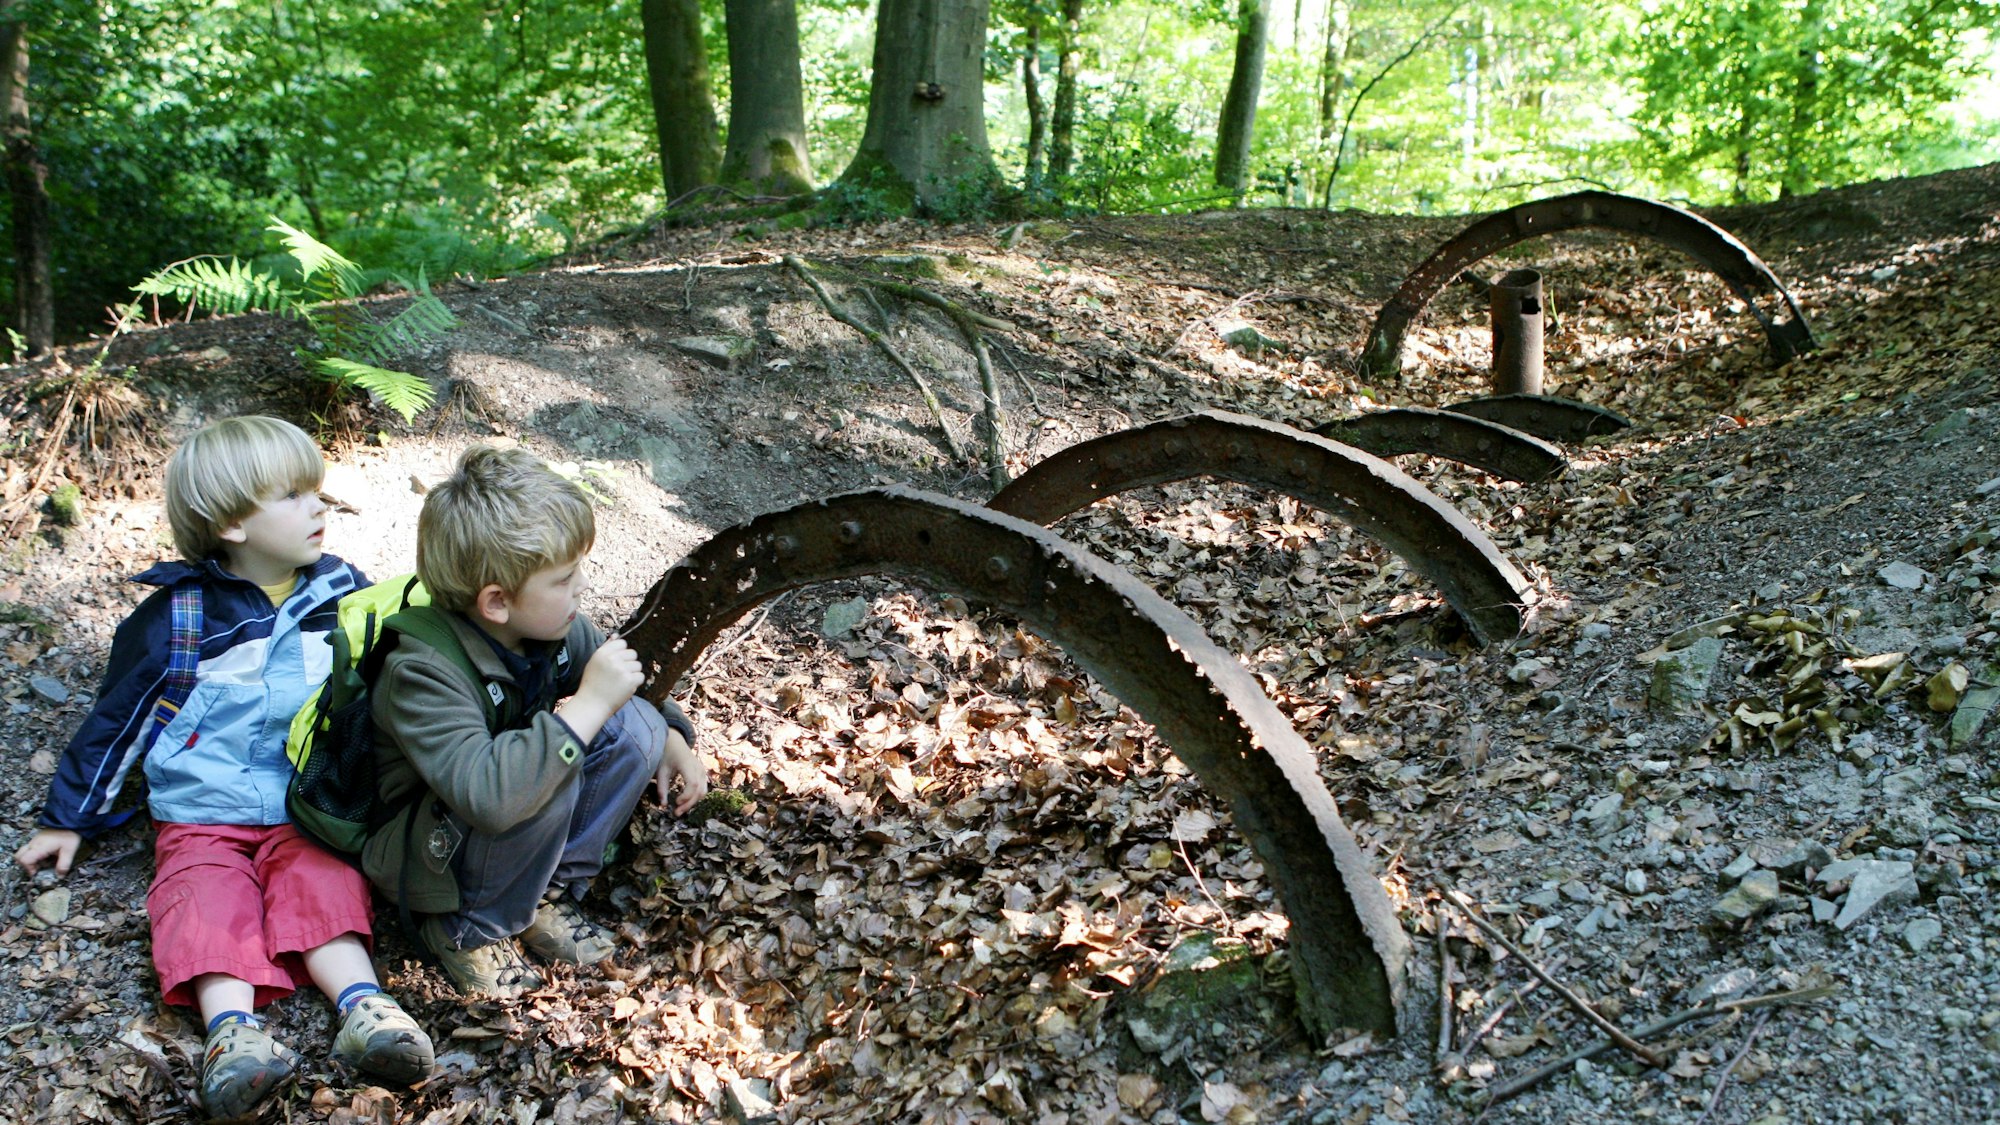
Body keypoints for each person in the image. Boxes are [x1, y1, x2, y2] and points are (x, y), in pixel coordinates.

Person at [12, 415, 435, 1120]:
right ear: (233, 524)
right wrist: (68, 818)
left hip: (307, 803)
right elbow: (119, 721)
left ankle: (367, 1008)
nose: (319, 507)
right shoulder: (178, 619)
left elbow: (389, 676)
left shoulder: (340, 591)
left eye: (318, 491)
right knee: (201, 898)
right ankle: (233, 1034)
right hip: (203, 814)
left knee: (325, 882)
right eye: (295, 495)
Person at [361, 444, 707, 999]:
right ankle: (468, 928)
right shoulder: (421, 671)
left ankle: (547, 892)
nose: (582, 589)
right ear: (496, 602)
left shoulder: (549, 628)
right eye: (564, 579)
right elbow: (491, 794)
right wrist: (588, 706)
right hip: (427, 854)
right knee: (552, 764)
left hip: (495, 821)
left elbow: (628, 684)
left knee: (636, 724)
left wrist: (670, 733)